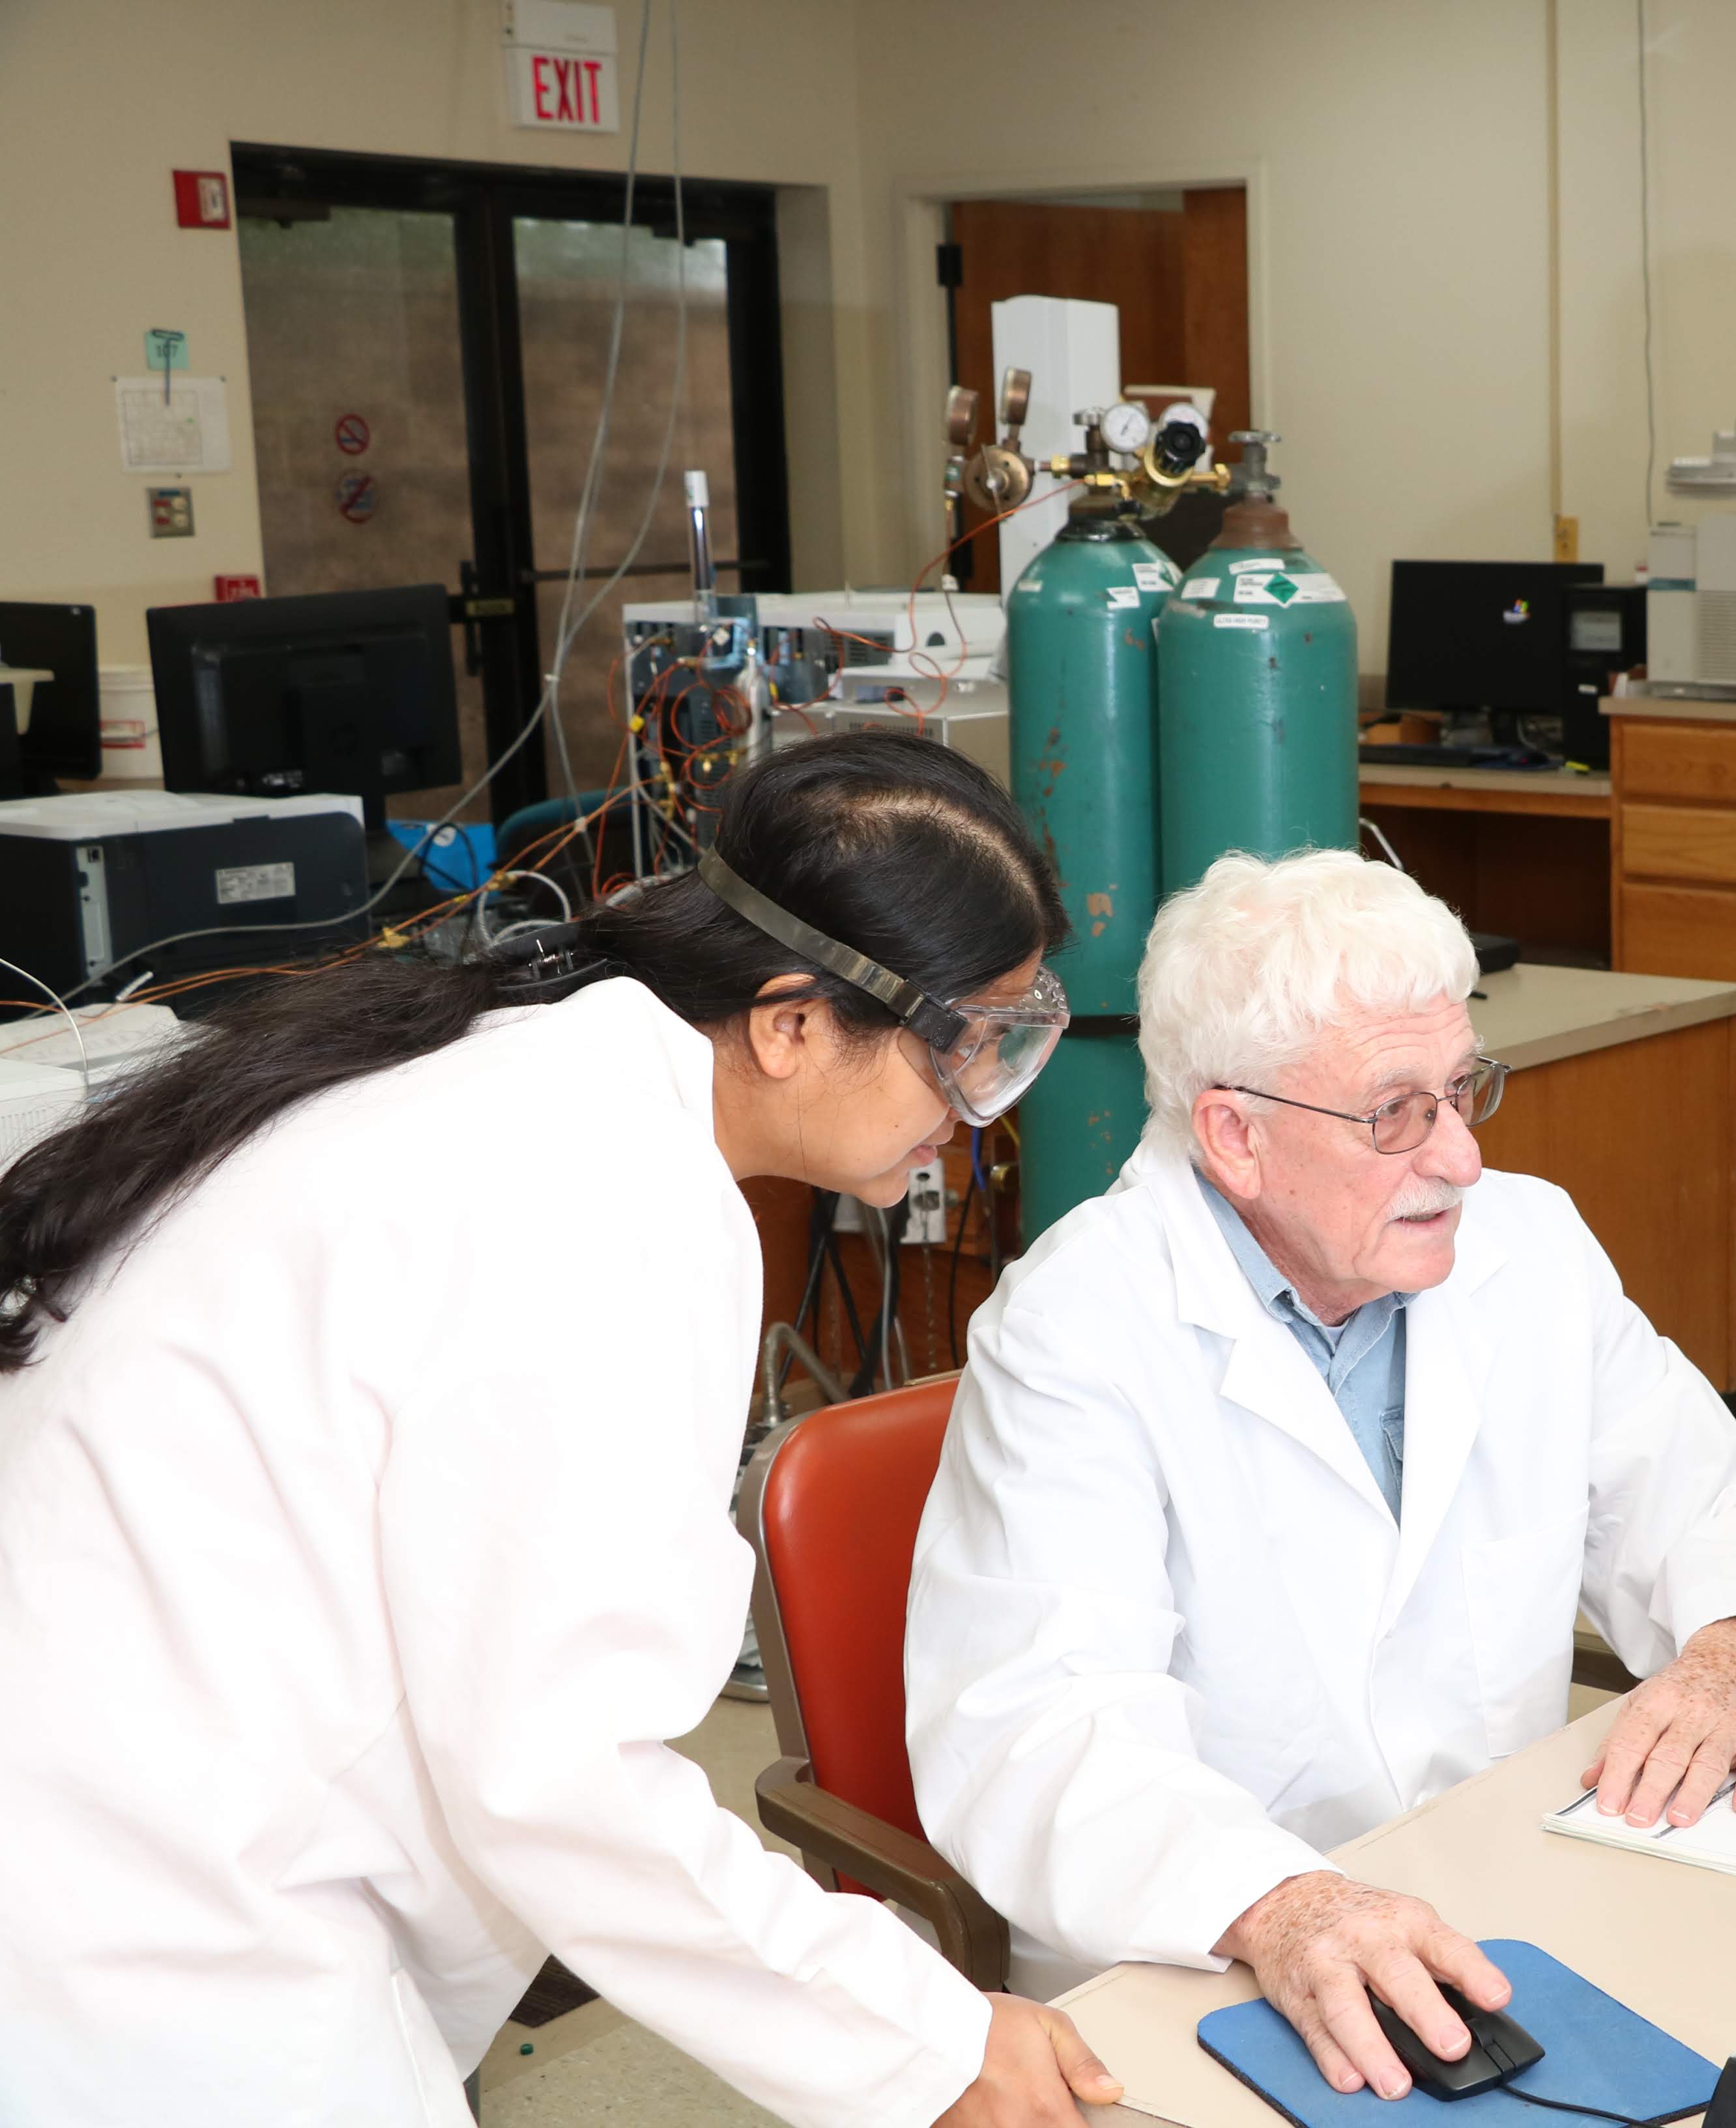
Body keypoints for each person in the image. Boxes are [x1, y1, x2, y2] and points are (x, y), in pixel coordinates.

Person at [0, 734, 1123, 2128]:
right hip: (152, 1938)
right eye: (964, 1048)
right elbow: (565, 1779)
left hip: (135, 1830)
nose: (974, 1116)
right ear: (788, 1023)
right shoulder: (606, 1206)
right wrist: (925, 2042)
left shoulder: (537, 1066)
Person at [906, 849, 1736, 2097]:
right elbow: (1042, 1731)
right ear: (1235, 1135)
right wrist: (1280, 1901)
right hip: (1204, 1964)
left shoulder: (1523, 1245)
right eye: (1394, 1112)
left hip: (1510, 1912)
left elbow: (1720, 1491)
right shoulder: (1076, 1332)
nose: (1460, 1160)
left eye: (1462, 1089)